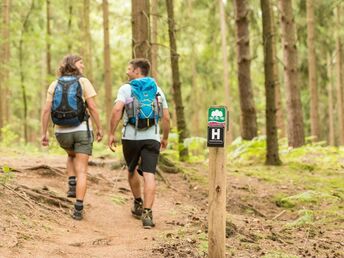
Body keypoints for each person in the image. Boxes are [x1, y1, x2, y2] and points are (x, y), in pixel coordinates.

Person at [108, 58, 170, 229]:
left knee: (132, 169)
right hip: (152, 138)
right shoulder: (157, 90)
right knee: (149, 174)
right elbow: (166, 117)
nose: (127, 71)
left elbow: (117, 110)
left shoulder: (126, 88)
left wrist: (111, 133)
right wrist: (165, 137)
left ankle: (137, 203)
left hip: (130, 137)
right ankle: (148, 215)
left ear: (137, 71)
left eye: (129, 69)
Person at [41, 54, 103, 220]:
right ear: (73, 65)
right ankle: (78, 208)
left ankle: (71, 183)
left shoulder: (55, 83)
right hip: (81, 129)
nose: (83, 65)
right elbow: (93, 108)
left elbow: (46, 110)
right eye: (81, 63)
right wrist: (99, 128)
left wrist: (44, 132)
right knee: (82, 170)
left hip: (61, 132)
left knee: (70, 154)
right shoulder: (83, 82)